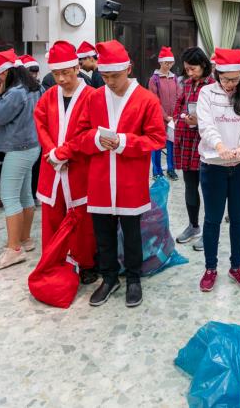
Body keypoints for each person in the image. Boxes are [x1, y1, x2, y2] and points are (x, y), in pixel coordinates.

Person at [70, 40, 166, 308]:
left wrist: (125, 142)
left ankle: (133, 278)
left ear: (129, 69)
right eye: (105, 76)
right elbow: (79, 135)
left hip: (130, 178)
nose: (110, 81)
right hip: (100, 177)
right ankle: (109, 277)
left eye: (115, 76)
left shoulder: (147, 99)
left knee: (132, 232)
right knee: (103, 232)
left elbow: (157, 138)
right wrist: (97, 140)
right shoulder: (94, 97)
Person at [196, 48, 240, 292]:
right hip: (213, 165)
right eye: (225, 79)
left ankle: (237, 267)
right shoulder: (206, 93)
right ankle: (210, 268)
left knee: (238, 218)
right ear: (217, 73)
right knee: (212, 219)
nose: (230, 84)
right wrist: (219, 145)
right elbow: (206, 124)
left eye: (235, 79)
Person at [33, 40, 97, 283]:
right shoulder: (49, 96)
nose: (60, 79)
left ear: (76, 68)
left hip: (79, 168)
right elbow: (40, 124)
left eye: (65, 73)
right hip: (52, 168)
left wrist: (65, 153)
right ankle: (54, 260)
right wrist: (52, 152)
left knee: (82, 219)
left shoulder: (92, 96)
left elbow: (90, 133)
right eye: (56, 74)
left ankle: (86, 262)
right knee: (52, 217)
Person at [0, 50, 43, 270]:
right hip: (33, 146)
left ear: (7, 72)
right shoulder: (36, 88)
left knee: (9, 197)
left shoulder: (14, 93)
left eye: (0, 76)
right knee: (25, 194)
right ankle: (25, 239)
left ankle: (13, 250)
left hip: (18, 149)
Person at [172, 46, 214, 249]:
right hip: (187, 141)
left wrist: (200, 121)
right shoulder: (187, 84)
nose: (189, 73)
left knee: (209, 189)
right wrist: (184, 118)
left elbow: (218, 117)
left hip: (206, 143)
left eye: (193, 69)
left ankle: (209, 231)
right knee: (190, 186)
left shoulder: (214, 85)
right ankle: (193, 225)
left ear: (204, 65)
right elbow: (177, 108)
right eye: (187, 69)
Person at [148, 46, 178, 181]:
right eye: (166, 63)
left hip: (173, 119)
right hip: (159, 118)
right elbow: (155, 100)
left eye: (171, 63)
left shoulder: (174, 78)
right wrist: (165, 116)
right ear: (160, 62)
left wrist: (176, 115)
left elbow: (179, 96)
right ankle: (157, 171)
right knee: (158, 145)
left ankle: (171, 169)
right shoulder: (154, 79)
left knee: (171, 144)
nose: (169, 65)